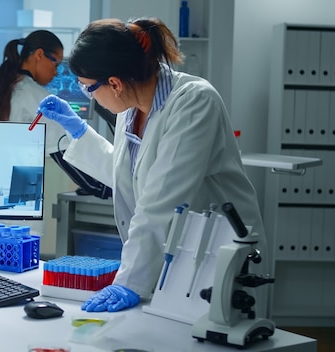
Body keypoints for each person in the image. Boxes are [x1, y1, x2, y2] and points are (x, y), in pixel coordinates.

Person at [37, 18, 269, 314]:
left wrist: (130, 281)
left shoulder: (194, 102)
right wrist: (80, 132)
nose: (89, 96)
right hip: (172, 252)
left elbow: (163, 200)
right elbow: (130, 174)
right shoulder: (131, 107)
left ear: (115, 84)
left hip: (214, 250)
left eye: (87, 88)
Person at [0, 30, 76, 253]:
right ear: (39, 55)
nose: (57, 72)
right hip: (21, 213)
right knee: (18, 274)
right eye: (56, 63)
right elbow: (64, 153)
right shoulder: (39, 99)